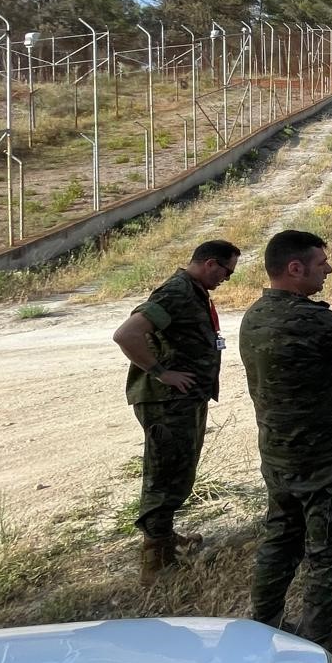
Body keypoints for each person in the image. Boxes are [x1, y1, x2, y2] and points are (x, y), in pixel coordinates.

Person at [241, 229, 332, 663]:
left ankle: (261, 630)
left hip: (280, 457)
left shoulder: (254, 316)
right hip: (326, 460)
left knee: (280, 542)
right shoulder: (314, 320)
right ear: (295, 268)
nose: (329, 269)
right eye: (322, 263)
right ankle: (322, 659)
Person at [112, 239, 241, 586]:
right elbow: (127, 334)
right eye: (226, 271)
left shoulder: (193, 291)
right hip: (166, 401)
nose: (227, 279)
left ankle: (165, 536)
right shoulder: (176, 292)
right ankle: (155, 560)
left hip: (182, 400)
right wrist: (160, 372)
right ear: (210, 264)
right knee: (164, 472)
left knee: (179, 469)